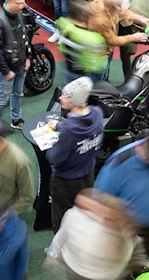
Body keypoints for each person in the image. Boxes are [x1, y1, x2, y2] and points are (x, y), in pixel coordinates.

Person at [44, 189, 144, 280]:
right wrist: (52, 256)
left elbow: (135, 244)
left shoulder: (125, 231)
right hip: (85, 277)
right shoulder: (76, 218)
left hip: (105, 279)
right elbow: (60, 238)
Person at [94, 126, 149, 257]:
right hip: (126, 229)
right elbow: (100, 196)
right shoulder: (119, 162)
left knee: (142, 257)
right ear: (142, 144)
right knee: (119, 260)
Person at [46, 77, 103, 231]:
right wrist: (60, 125)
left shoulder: (69, 130)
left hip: (66, 182)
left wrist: (52, 143)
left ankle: (59, 250)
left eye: (65, 96)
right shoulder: (97, 114)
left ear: (74, 101)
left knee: (61, 217)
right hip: (88, 174)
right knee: (82, 213)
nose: (60, 97)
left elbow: (54, 158)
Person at [0, 0, 29, 129]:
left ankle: (16, 119)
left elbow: (24, 38)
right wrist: (6, 71)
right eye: (18, 3)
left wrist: (28, 57)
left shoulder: (20, 14)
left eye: (23, 2)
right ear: (9, 1)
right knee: (2, 99)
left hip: (21, 65)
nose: (22, 6)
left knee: (17, 94)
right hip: (7, 70)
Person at [87, 0, 147, 83]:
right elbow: (112, 40)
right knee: (97, 79)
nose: (119, 8)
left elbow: (122, 12)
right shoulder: (100, 18)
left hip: (105, 49)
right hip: (97, 53)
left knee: (105, 71)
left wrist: (139, 18)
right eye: (117, 6)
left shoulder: (109, 5)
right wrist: (133, 38)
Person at [55, 1, 108, 85]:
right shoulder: (94, 38)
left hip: (69, 71)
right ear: (84, 16)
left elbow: (62, 49)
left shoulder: (64, 26)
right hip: (86, 78)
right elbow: (100, 65)